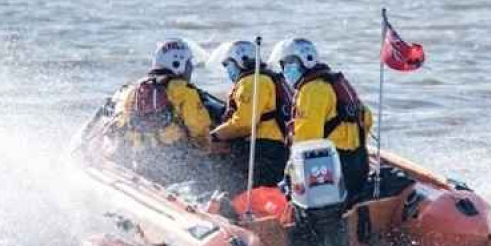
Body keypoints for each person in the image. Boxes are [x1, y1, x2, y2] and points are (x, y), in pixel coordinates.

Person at [270, 38, 373, 202]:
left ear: (295, 63)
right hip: (360, 162)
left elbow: (306, 142)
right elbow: (367, 119)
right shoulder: (337, 82)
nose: (284, 71)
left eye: (284, 65)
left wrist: (290, 175)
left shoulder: (311, 90)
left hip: (334, 168)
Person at [108, 38, 213, 182]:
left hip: (140, 156)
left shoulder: (133, 89)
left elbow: (120, 123)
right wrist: (205, 146)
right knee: (208, 167)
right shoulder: (184, 90)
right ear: (177, 63)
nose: (190, 68)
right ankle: (202, 196)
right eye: (188, 63)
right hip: (175, 155)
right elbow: (198, 126)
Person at [210, 40, 292, 188]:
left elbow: (244, 124)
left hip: (261, 149)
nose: (227, 70)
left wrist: (215, 135)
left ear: (240, 61)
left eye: (228, 64)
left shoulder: (251, 82)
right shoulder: (267, 78)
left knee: (234, 182)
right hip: (277, 148)